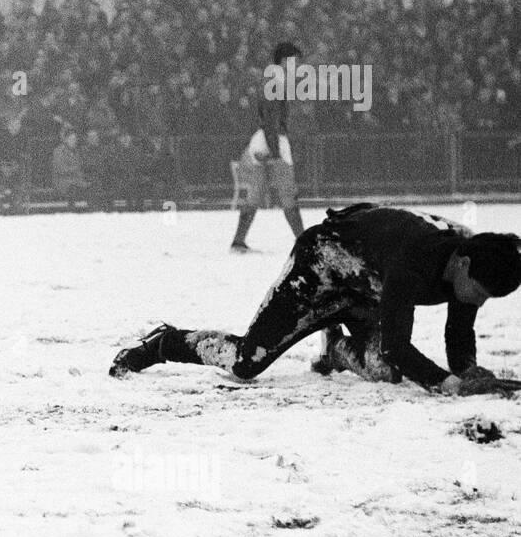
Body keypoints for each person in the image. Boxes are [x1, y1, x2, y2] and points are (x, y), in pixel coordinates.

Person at [111, 203, 521, 395]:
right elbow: (398, 344)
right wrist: (446, 383)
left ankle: (338, 348)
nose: (477, 302)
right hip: (319, 271)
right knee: (246, 363)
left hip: (366, 286)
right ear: (463, 265)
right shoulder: (413, 260)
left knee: (386, 373)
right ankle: (166, 342)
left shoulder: (473, 258)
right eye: (479, 292)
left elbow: (458, 329)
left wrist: (468, 370)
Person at [231, 41, 305, 251]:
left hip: (263, 139)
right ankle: (302, 240)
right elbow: (272, 119)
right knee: (288, 194)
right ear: (284, 61)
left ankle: (238, 241)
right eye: (295, 61)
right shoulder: (277, 82)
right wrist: (275, 151)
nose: (298, 66)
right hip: (272, 140)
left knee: (254, 195)